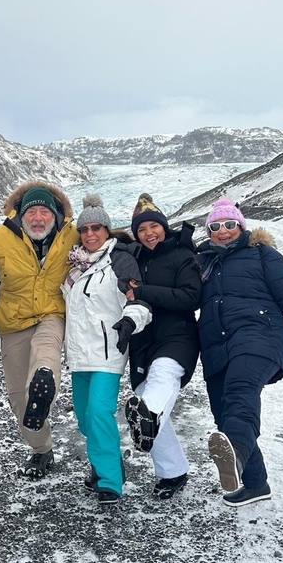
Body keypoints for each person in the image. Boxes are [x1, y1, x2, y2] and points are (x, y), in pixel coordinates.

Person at [197, 198, 283, 508]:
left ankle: (237, 458)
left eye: (230, 224)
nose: (223, 231)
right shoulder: (202, 263)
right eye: (215, 227)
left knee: (240, 390)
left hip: (261, 334)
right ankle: (256, 483)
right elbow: (180, 295)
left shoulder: (262, 254)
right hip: (217, 345)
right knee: (224, 414)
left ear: (241, 226)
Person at [0, 182, 80, 479]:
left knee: (46, 352)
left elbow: (103, 242)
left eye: (44, 211)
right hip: (14, 321)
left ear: (54, 215)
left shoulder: (72, 234)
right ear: (20, 215)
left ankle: (44, 381)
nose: (37, 217)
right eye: (31, 211)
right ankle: (41, 448)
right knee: (18, 395)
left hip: (52, 313)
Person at [62, 196, 151, 507]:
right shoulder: (73, 264)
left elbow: (137, 298)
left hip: (108, 349)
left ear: (107, 229)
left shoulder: (119, 259)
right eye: (84, 229)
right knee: (86, 420)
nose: (90, 234)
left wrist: (130, 320)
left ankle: (109, 481)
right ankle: (106, 460)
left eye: (96, 227)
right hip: (78, 353)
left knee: (100, 412)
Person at [123, 193, 202, 500]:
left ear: (164, 227)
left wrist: (144, 291)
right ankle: (173, 471)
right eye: (141, 230)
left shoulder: (182, 256)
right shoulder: (134, 257)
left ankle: (149, 415)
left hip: (177, 335)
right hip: (143, 339)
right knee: (146, 397)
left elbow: (190, 297)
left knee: (161, 379)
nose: (148, 234)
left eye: (153, 227)